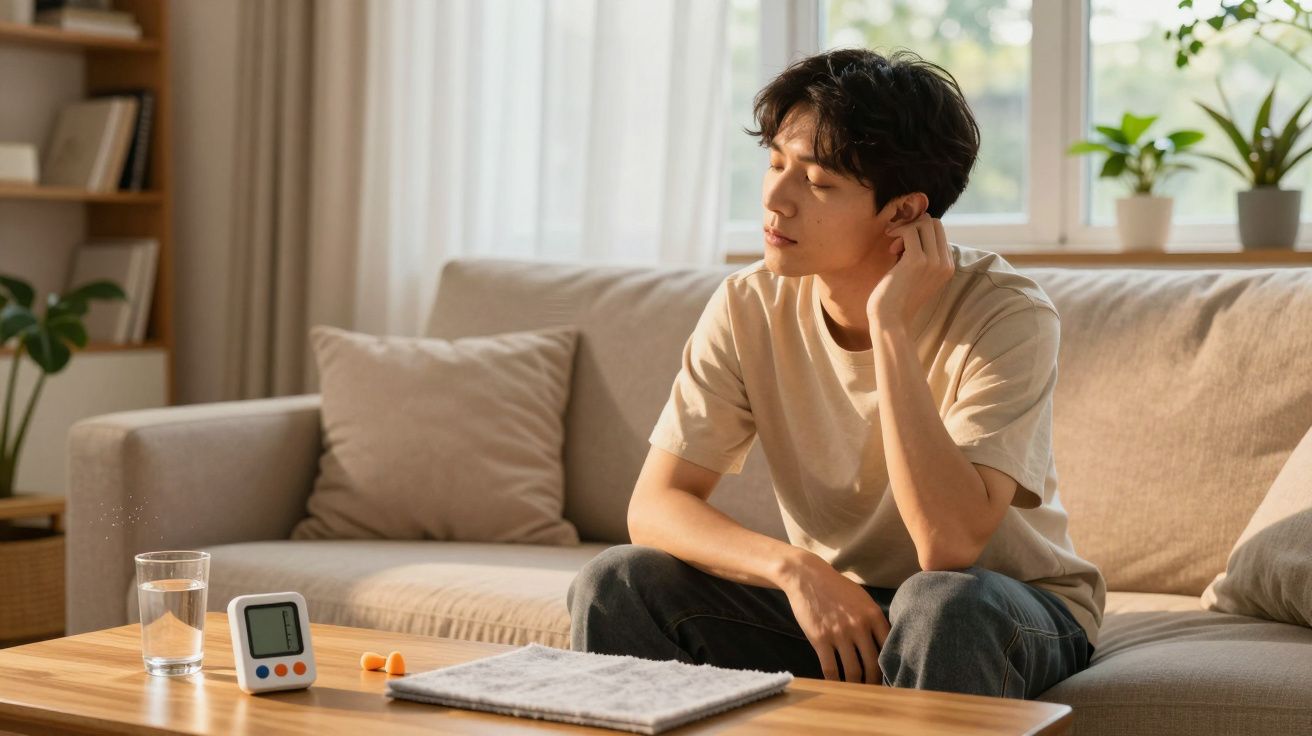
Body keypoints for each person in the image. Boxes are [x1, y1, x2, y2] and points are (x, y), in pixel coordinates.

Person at [567, 47, 1106, 700]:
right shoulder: (749, 303)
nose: (775, 198)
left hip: (1003, 606)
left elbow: (949, 544)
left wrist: (889, 328)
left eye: (817, 183)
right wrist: (795, 570)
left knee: (940, 605)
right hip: (841, 609)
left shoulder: (1005, 313)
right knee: (619, 585)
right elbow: (656, 507)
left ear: (905, 212)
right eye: (775, 164)